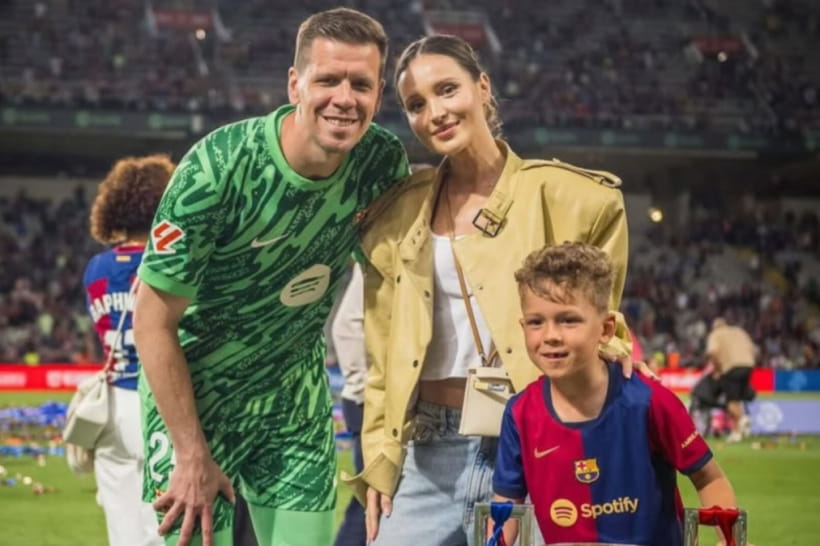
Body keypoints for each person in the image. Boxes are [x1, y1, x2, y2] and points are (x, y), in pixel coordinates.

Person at [132, 7, 409, 546]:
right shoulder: (217, 168)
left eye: (360, 84)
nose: (344, 98)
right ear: (295, 83)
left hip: (294, 399)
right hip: (199, 396)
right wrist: (189, 451)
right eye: (327, 80)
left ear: (379, 94)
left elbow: (397, 288)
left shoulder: (380, 163)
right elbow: (152, 321)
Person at [346, 35, 635, 546]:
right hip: (429, 447)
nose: (435, 112)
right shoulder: (396, 214)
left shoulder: (573, 199)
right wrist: (379, 457)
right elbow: (381, 358)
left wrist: (614, 347)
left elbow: (601, 321)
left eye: (447, 89)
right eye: (416, 104)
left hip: (541, 439)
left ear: (482, 87)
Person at [492, 242, 738, 545]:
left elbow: (709, 477)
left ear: (606, 329)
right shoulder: (519, 413)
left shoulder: (649, 401)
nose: (550, 335)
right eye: (536, 322)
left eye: (568, 320)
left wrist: (730, 540)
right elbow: (506, 506)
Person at [83, 154, 173, 546]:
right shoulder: (168, 263)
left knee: (122, 533)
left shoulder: (96, 268)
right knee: (163, 529)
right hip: (160, 401)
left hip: (112, 406)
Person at [331, 262, 367, 546]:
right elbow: (346, 328)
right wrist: (366, 387)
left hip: (364, 396)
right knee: (367, 501)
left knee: (367, 501)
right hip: (368, 402)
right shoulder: (380, 255)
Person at [706, 317, 757, 442]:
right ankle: (736, 432)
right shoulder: (739, 331)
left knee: (731, 401)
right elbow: (753, 348)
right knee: (737, 399)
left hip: (731, 367)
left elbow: (712, 352)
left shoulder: (716, 334)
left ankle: (742, 418)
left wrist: (717, 368)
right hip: (748, 365)